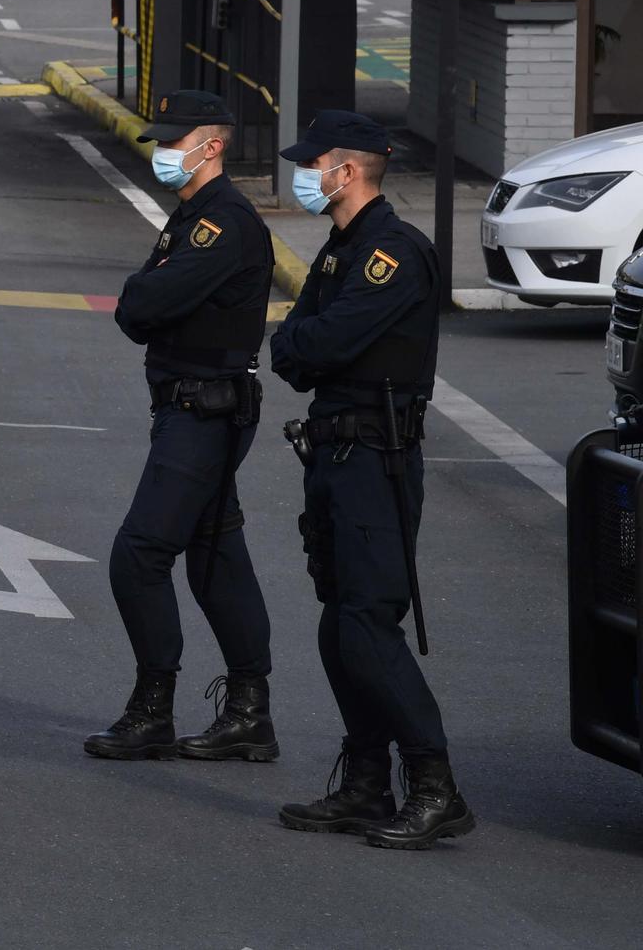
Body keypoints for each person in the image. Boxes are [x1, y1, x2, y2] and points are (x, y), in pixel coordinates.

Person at [269, 110, 475, 851]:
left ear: (346, 171)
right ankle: (365, 781)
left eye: (312, 162)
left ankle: (434, 784)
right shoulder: (341, 248)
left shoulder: (393, 252)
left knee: (366, 620)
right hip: (332, 455)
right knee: (340, 621)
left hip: (375, 461)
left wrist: (306, 344)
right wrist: (304, 344)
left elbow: (321, 338)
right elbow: (291, 348)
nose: (303, 174)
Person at [86, 90, 278, 763]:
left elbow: (145, 301)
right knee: (217, 554)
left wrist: (152, 292)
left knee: (139, 553)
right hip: (189, 404)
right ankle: (250, 711)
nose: (165, 152)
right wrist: (150, 294)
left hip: (206, 409)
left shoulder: (222, 223)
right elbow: (140, 305)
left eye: (177, 140)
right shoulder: (192, 215)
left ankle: (154, 706)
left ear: (213, 145)